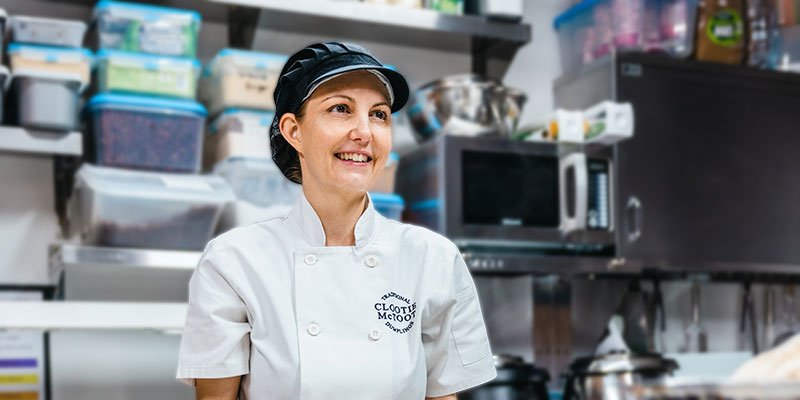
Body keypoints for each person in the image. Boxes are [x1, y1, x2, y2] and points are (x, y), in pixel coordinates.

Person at [176, 42, 496, 400]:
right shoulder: (234, 261)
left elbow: (442, 396)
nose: (365, 132)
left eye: (379, 114)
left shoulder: (433, 258)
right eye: (341, 109)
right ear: (294, 131)